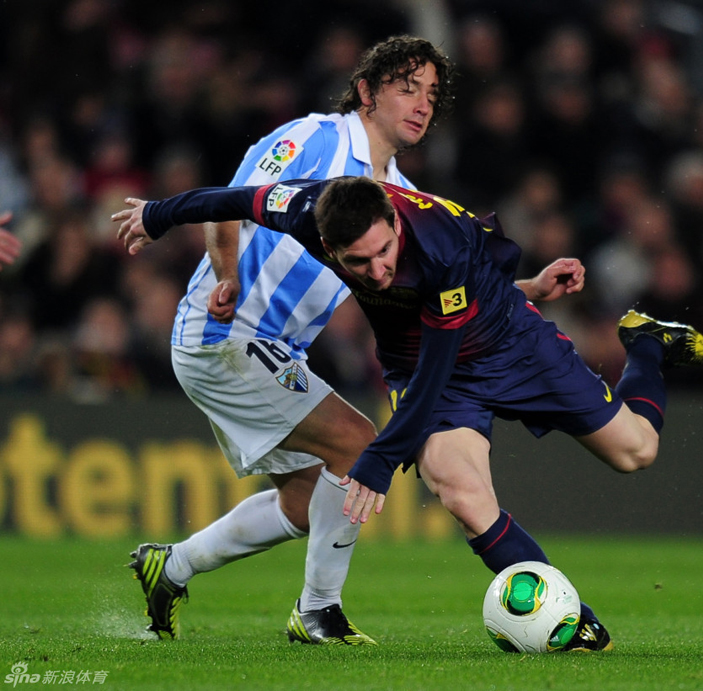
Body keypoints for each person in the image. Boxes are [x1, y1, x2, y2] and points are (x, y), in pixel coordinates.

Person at [114, 176, 703, 652]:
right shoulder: (305, 208)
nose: (377, 271)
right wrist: (157, 215)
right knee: (461, 492)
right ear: (326, 243)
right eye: (358, 263)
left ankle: (648, 343)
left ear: (395, 222)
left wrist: (381, 458)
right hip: (419, 356)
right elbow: (232, 197)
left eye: (384, 252)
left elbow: (437, 370)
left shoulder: (440, 241)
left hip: (510, 345)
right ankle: (568, 623)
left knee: (637, 452)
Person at [121, 36, 463, 645]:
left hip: (277, 350)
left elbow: (431, 283)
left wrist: (527, 287)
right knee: (359, 446)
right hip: (225, 331)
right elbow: (231, 204)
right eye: (406, 88)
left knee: (308, 502)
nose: (421, 105)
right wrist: (227, 272)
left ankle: (169, 566)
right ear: (366, 91)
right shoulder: (315, 140)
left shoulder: (401, 199)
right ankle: (317, 612)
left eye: (431, 95)